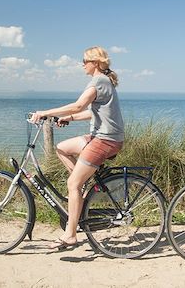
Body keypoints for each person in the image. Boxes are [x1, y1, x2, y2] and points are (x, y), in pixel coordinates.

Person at [28, 46, 124, 250]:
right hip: (100, 136)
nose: (82, 64)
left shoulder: (99, 82)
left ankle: (71, 235)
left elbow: (78, 105)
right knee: (62, 148)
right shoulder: (104, 82)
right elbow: (93, 113)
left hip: (105, 140)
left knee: (72, 184)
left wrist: (45, 112)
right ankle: (81, 187)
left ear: (95, 63)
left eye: (85, 61)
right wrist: (69, 118)